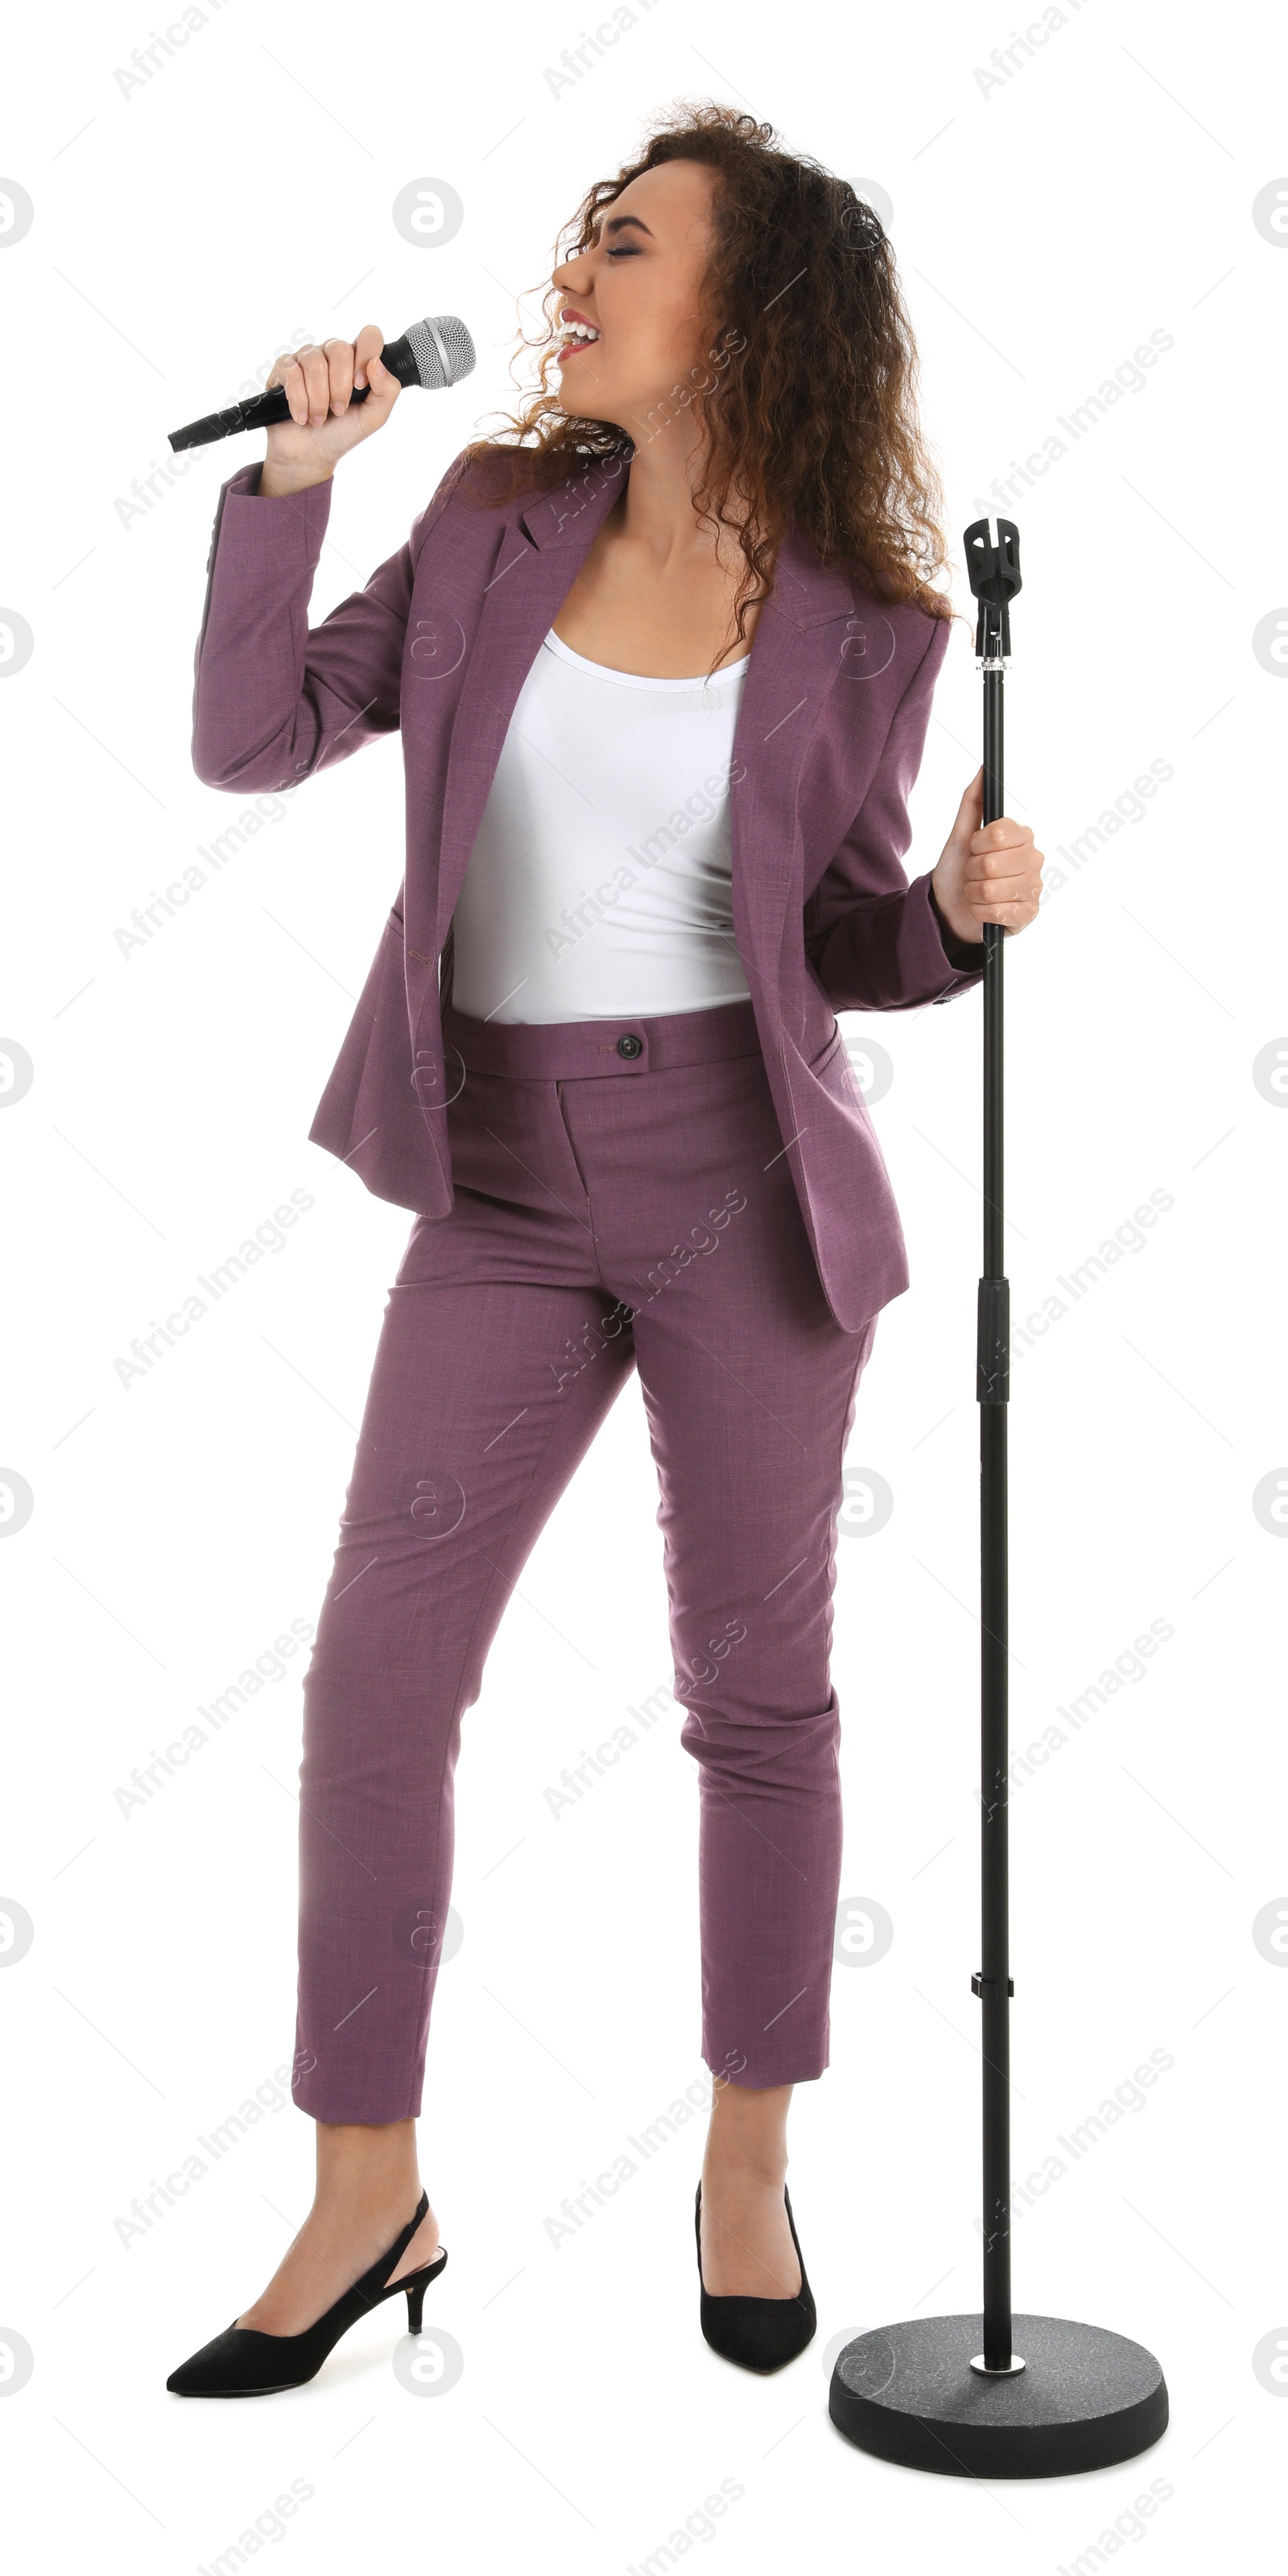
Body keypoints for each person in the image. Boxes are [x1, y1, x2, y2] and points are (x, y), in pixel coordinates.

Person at [166, 104, 1043, 2400]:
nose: (575, 276)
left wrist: (946, 918)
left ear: (746, 313)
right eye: (581, 243)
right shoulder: (482, 521)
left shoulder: (879, 622)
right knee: (378, 1683)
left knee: (757, 1700)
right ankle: (370, 2191)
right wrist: (288, 487)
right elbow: (253, 739)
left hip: (745, 1187)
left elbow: (836, 932)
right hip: (501, 1179)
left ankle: (749, 2155)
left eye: (626, 247)